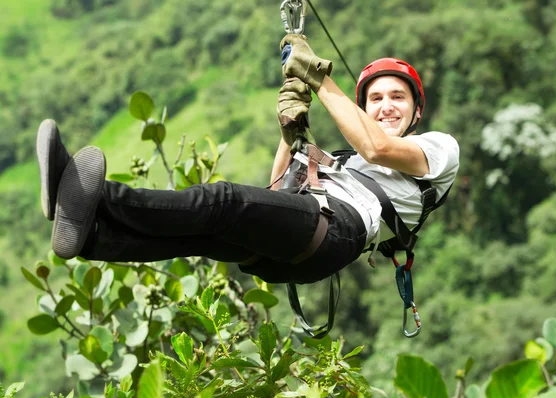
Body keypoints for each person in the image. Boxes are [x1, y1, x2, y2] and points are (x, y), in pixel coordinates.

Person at [36, 34, 459, 285]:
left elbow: (378, 148)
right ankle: (91, 237)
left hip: (339, 231)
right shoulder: (346, 161)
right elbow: (277, 187)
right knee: (199, 233)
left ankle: (91, 195)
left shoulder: (438, 150)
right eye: (376, 99)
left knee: (223, 202)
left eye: (398, 98)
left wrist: (317, 75)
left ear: (417, 111)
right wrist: (290, 131)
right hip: (314, 238)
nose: (386, 107)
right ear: (363, 109)